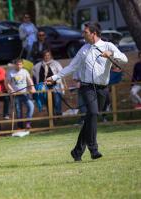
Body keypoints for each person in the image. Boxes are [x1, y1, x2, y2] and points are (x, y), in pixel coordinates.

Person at [46, 22, 128, 161]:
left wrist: (112, 53)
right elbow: (71, 67)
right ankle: (93, 149)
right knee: (94, 114)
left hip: (102, 88)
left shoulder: (108, 46)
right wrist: (54, 77)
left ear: (93, 34)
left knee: (91, 117)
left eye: (85, 32)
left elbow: (124, 59)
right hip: (87, 87)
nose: (83, 34)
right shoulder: (83, 49)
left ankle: (77, 151)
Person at [32, 50, 65, 116]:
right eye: (45, 55)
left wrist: (54, 81)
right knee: (47, 101)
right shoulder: (38, 66)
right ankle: (51, 115)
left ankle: (58, 114)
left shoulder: (56, 64)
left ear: (51, 56)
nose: (47, 57)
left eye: (48, 55)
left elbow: (62, 74)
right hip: (44, 86)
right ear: (43, 56)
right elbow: (35, 75)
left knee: (57, 99)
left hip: (55, 84)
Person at [6, 59, 36, 129]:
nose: (19, 66)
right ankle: (20, 126)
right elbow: (7, 83)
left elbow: (29, 80)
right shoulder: (11, 73)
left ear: (22, 65)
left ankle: (28, 123)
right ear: (15, 65)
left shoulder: (25, 71)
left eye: (20, 64)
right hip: (16, 95)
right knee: (18, 110)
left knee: (31, 106)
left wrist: (32, 88)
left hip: (25, 93)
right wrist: (11, 90)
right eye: (17, 64)